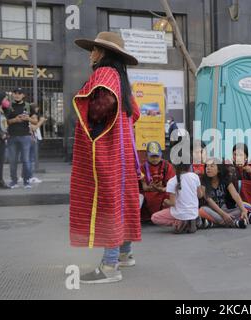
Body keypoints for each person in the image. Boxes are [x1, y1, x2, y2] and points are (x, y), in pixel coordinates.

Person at [70, 31, 141, 284]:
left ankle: (110, 267)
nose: (91, 54)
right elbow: (135, 113)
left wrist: (93, 125)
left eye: (94, 50)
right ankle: (124, 254)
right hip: (122, 152)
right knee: (122, 200)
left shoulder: (104, 75)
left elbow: (103, 105)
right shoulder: (121, 78)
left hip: (107, 151)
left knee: (109, 203)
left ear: (102, 53)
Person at [151, 162, 203, 233]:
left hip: (180, 213)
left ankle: (179, 222)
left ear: (173, 167)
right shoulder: (195, 176)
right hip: (194, 212)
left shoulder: (172, 181)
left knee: (154, 217)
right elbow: (200, 195)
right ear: (189, 166)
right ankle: (190, 221)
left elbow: (172, 203)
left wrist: (165, 201)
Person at [199, 158, 251, 229]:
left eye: (212, 166)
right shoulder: (203, 180)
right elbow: (209, 200)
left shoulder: (225, 179)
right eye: (207, 166)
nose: (208, 168)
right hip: (212, 210)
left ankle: (214, 223)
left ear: (219, 169)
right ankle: (234, 223)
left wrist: (243, 210)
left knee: (243, 208)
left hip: (224, 209)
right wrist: (223, 215)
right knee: (202, 210)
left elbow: (235, 195)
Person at [4, 88, 38, 189]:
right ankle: (13, 181)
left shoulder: (28, 106)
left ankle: (26, 181)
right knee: (13, 160)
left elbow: (35, 121)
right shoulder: (8, 106)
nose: (17, 95)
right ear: (13, 95)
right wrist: (15, 120)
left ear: (23, 95)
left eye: (19, 93)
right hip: (12, 136)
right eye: (15, 93)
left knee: (26, 160)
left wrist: (28, 118)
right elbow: (4, 122)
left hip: (25, 136)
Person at [140, 141, 175, 223]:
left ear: (161, 155)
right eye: (152, 157)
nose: (155, 159)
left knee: (169, 195)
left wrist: (162, 189)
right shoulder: (142, 168)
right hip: (149, 192)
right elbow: (144, 187)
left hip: (163, 192)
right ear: (147, 156)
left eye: (157, 156)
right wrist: (151, 188)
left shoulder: (167, 166)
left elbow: (172, 185)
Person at [0, 92, 10, 189]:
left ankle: (0, 180)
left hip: (2, 140)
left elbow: (3, 124)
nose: (6, 101)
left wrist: (6, 133)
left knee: (1, 161)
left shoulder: (1, 110)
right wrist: (1, 133)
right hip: (0, 138)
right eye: (5, 99)